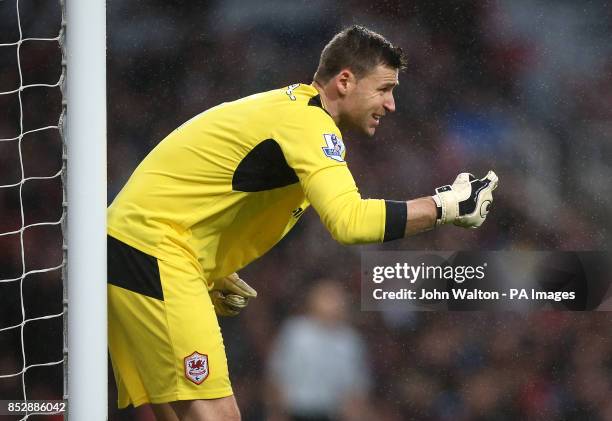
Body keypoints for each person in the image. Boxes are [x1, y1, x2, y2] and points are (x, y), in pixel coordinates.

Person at [107, 25, 498, 421]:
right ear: (345, 81)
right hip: (154, 250)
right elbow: (350, 222)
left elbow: (205, 185)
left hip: (136, 245)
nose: (391, 104)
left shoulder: (289, 110)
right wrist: (444, 206)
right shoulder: (309, 125)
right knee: (218, 415)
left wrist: (211, 268)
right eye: (384, 89)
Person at [266, 279, 373, 421]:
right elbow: (276, 373)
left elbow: (356, 385)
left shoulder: (350, 341)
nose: (332, 304)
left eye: (336, 298)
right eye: (327, 297)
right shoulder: (295, 332)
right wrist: (276, 411)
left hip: (332, 413)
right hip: (295, 411)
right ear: (313, 300)